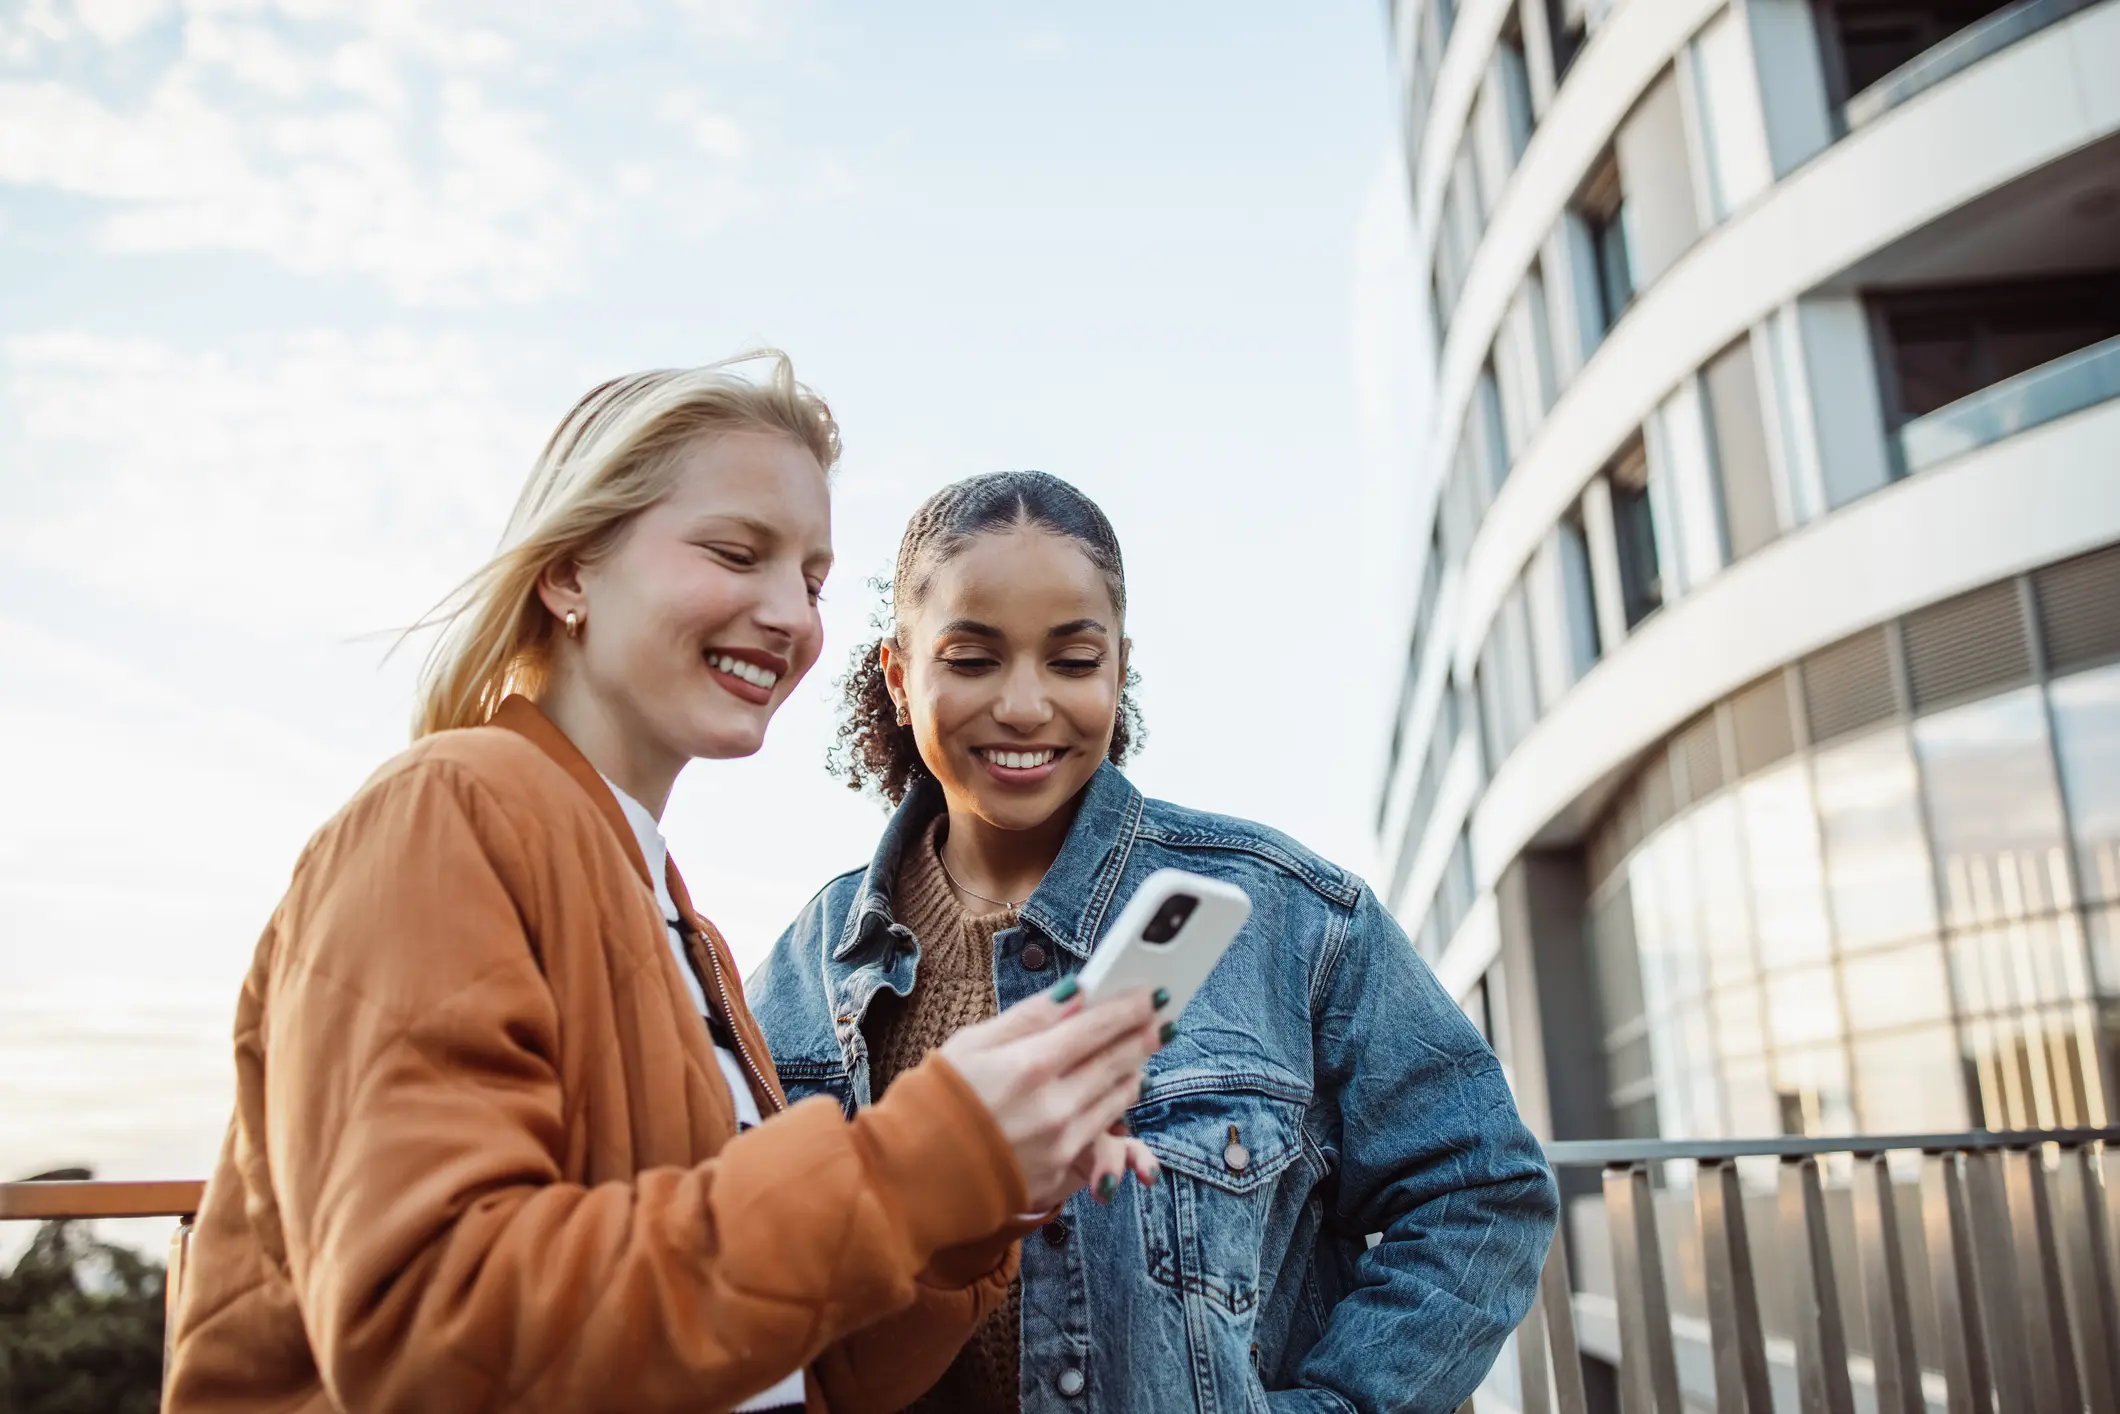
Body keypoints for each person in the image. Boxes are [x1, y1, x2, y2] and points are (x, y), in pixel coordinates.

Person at [163, 361, 1164, 1414]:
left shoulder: (684, 928)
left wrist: (973, 1204)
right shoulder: (446, 811)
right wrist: (922, 1154)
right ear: (568, 575)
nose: (789, 616)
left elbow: (800, 1368)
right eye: (738, 553)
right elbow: (426, 1325)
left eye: (812, 581)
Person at [750, 470, 1560, 1413]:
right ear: (899, 675)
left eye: (1072, 660)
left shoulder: (1289, 916)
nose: (1022, 705)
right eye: (971, 660)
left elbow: (1482, 1191)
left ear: (1121, 667)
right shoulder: (807, 969)